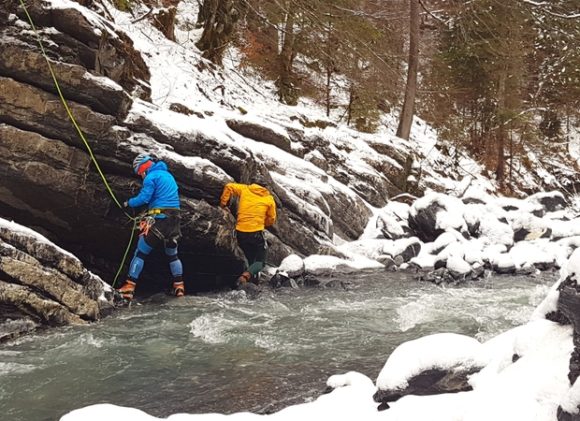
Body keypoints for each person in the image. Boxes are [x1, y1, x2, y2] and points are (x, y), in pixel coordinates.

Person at [117, 153, 185, 300]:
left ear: (143, 168)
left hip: (159, 220)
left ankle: (129, 286)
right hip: (175, 221)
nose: (140, 176)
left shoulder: (151, 177)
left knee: (140, 253)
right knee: (172, 255)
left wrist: (128, 203)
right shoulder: (169, 176)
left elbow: (144, 198)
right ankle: (179, 286)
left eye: (139, 173)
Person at [219, 176, 277, 287]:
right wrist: (262, 223)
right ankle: (245, 277)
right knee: (261, 262)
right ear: (265, 187)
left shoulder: (245, 189)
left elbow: (228, 186)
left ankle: (252, 283)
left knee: (250, 257)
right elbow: (271, 219)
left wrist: (223, 204)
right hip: (256, 232)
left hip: (240, 231)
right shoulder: (269, 199)